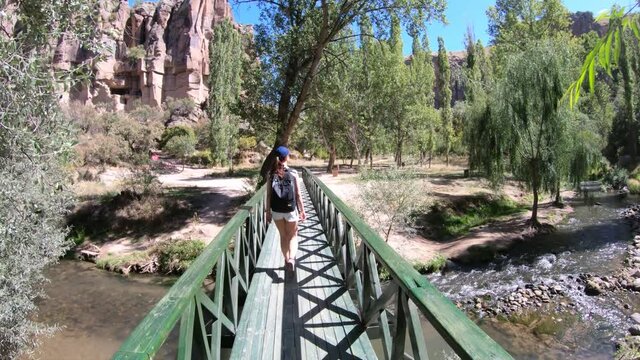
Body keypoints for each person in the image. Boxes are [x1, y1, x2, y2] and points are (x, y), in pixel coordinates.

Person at [266, 146, 306, 272]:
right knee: (293, 235)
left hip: (276, 210)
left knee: (283, 236)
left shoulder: (271, 174)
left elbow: (268, 195)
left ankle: (286, 258)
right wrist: (302, 210)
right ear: (287, 157)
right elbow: (298, 194)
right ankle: (291, 260)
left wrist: (268, 212)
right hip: (290, 210)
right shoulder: (293, 173)